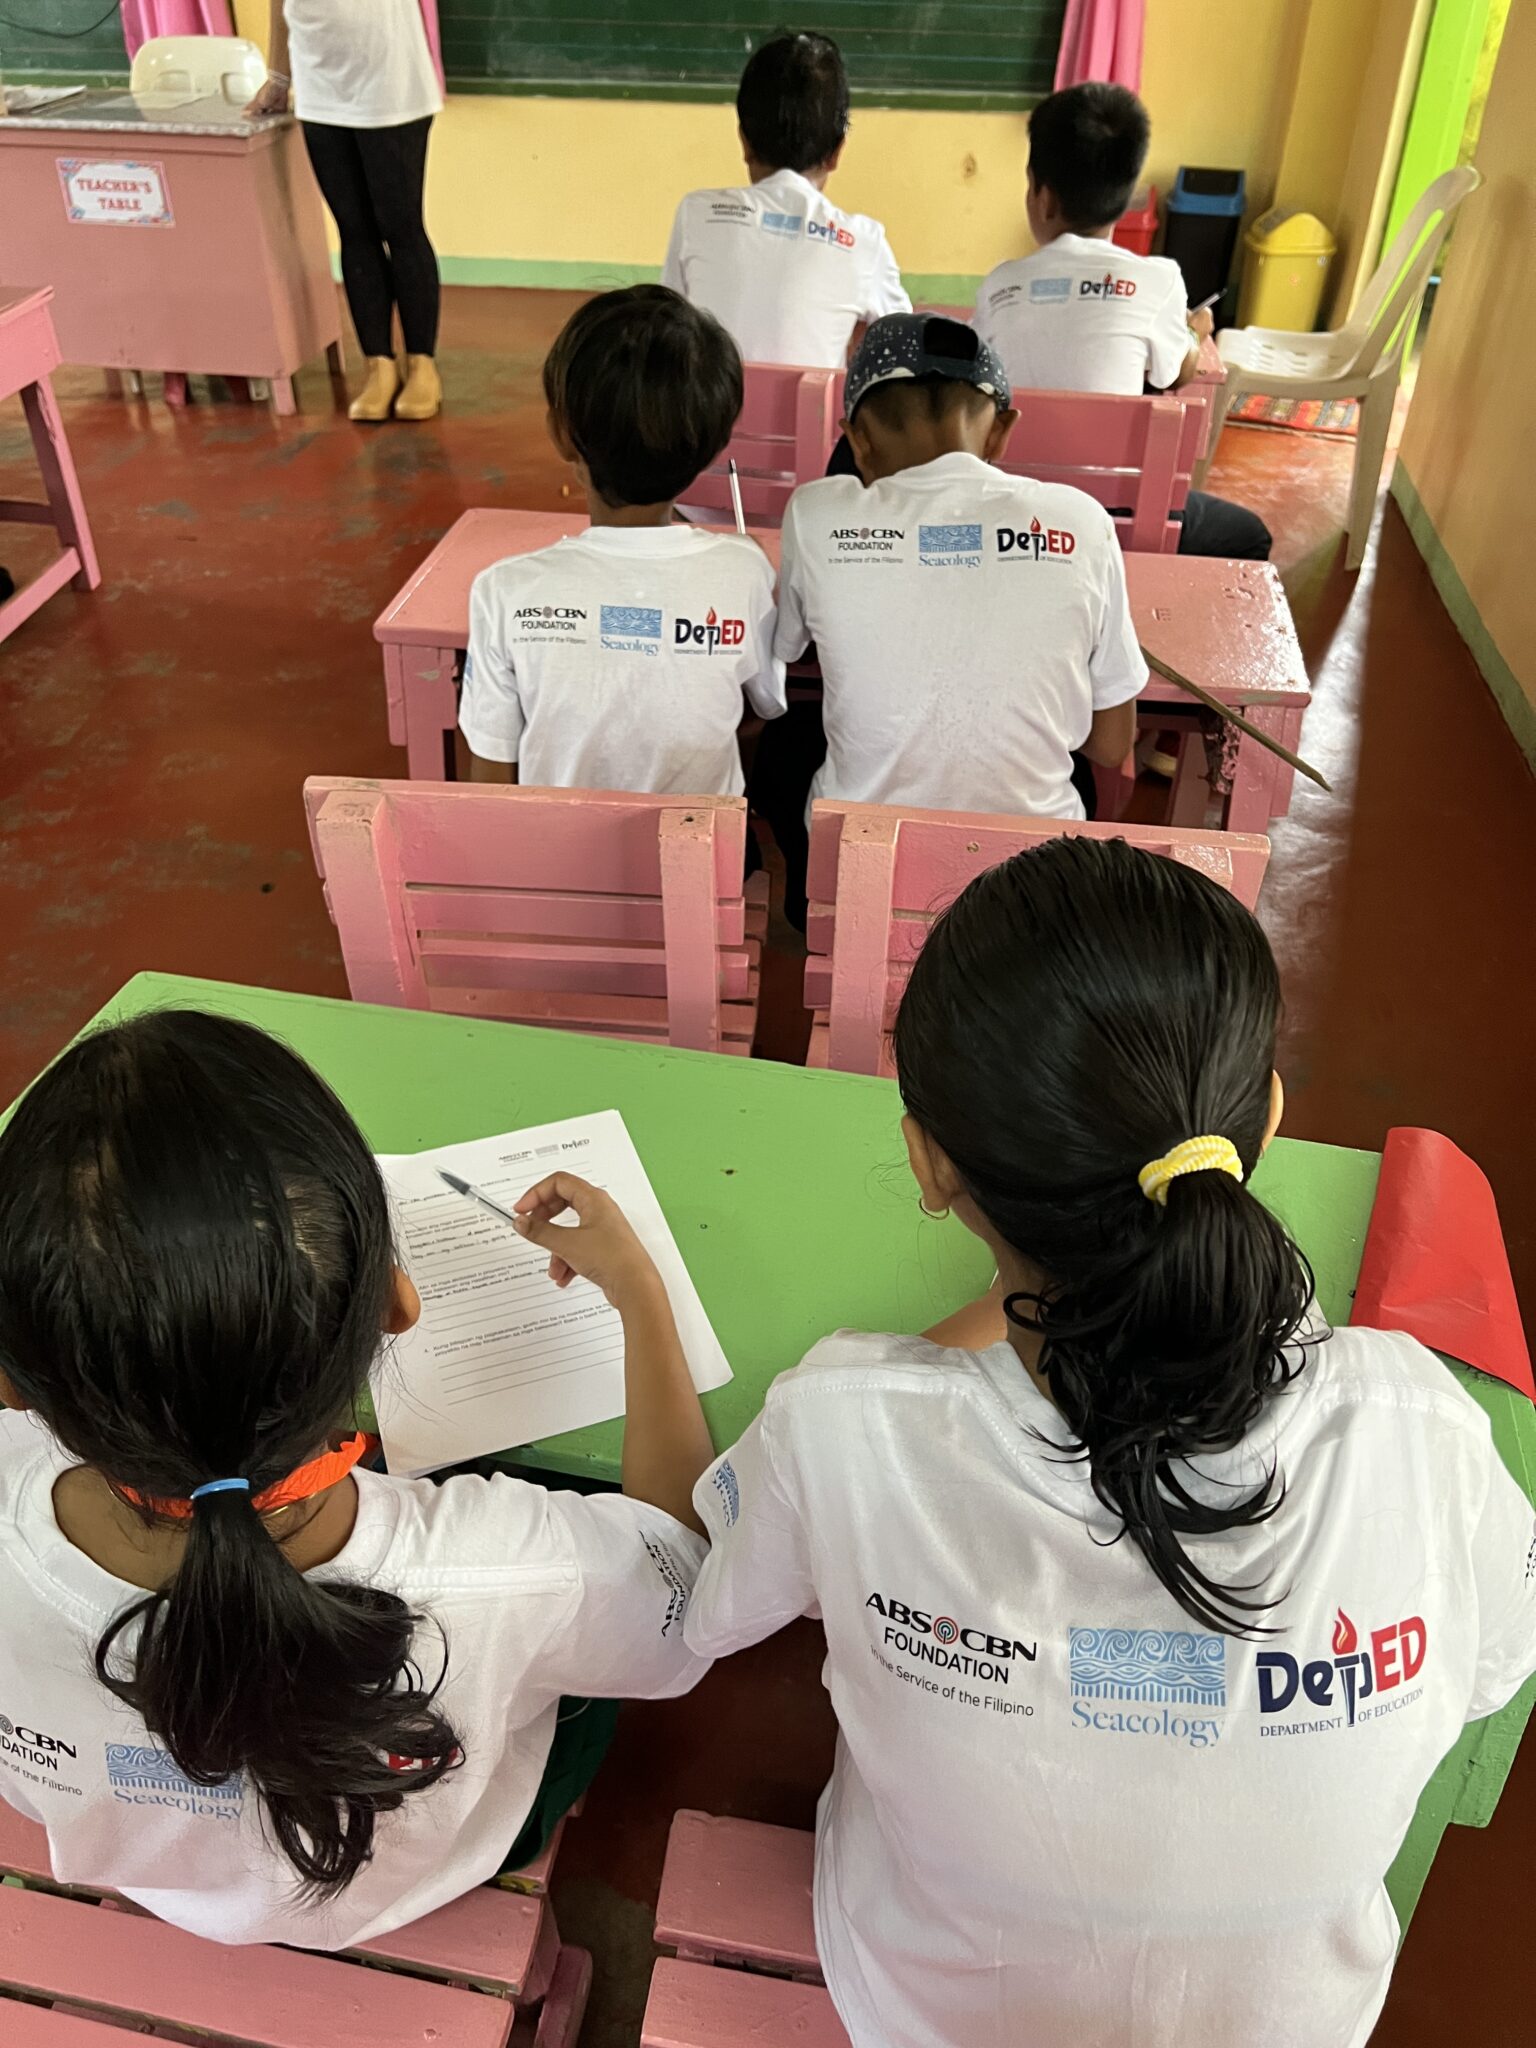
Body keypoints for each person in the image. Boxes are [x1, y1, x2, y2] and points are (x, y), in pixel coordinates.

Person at [684, 835, 1536, 2048]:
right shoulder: (1427, 1429)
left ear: (927, 1162)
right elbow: (1494, 1668)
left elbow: (703, 1601)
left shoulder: (842, 1424)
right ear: (1268, 1124)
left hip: (923, 2010)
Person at [0, 1011, 716, 1947]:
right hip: (436, 1868)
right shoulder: (515, 1566)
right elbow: (688, 1581)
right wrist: (640, 1295)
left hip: (173, 1884)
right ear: (395, 1303)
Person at [759, 314, 1144, 926]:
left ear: (855, 440)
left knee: (784, 740)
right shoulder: (1082, 520)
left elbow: (786, 647)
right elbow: (1111, 742)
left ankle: (803, 917)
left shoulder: (816, 514)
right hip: (1031, 896)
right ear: (1002, 433)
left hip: (860, 884)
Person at [461, 286, 785, 796]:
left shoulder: (502, 592)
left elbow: (490, 783)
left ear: (560, 433)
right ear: (714, 448)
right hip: (701, 869)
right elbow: (760, 710)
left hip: (558, 870)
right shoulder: (745, 571)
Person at [973, 83, 1271, 560]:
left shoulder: (999, 287)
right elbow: (1177, 371)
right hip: (1112, 521)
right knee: (1248, 534)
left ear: (1041, 197)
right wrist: (1196, 331)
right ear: (1128, 194)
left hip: (1011, 521)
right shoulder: (1158, 280)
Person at [661, 32, 910, 370]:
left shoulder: (697, 214)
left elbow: (668, 326)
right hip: (812, 421)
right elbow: (907, 349)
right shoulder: (865, 243)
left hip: (705, 421)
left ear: (744, 141)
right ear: (836, 153)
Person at [249, 2, 444, 423]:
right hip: (320, 85)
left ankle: (422, 365)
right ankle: (379, 365)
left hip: (389, 78)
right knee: (354, 231)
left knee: (401, 226)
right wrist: (278, 78)